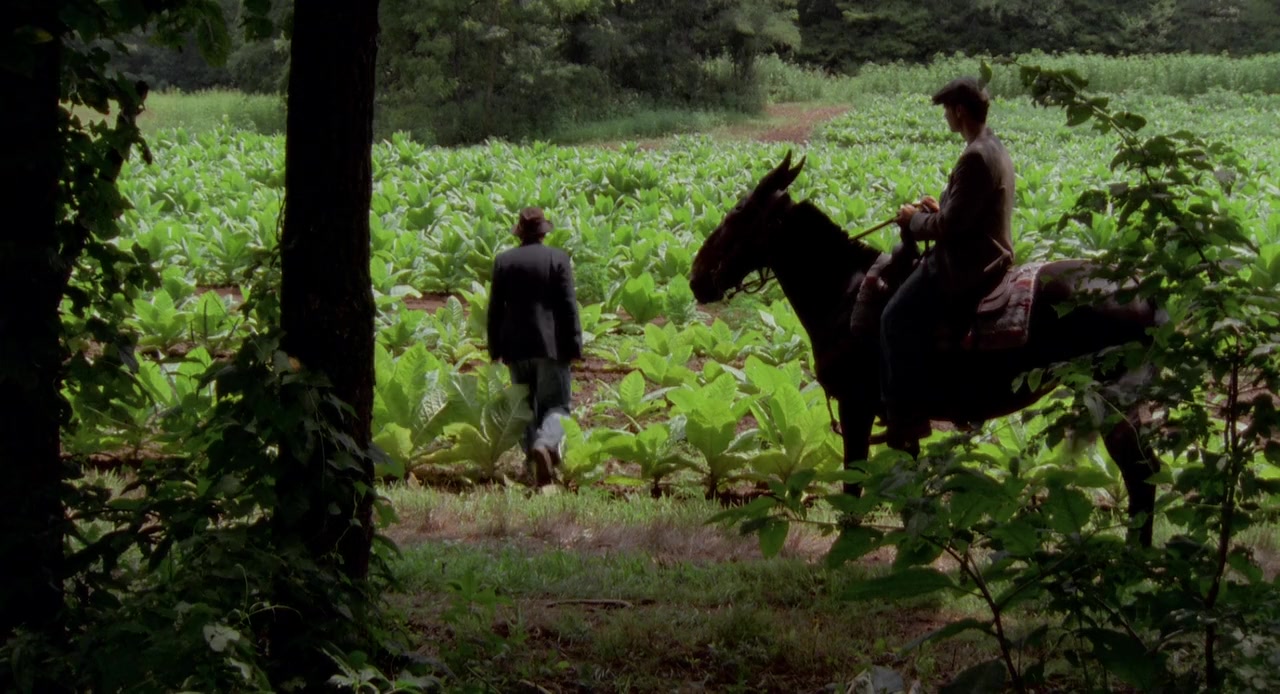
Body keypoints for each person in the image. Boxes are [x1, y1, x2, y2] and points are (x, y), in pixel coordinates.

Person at [879, 77, 1016, 452]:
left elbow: (951, 226)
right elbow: (966, 212)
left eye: (946, 110)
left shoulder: (974, 156)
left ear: (959, 111)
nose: (945, 117)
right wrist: (938, 209)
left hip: (968, 263)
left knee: (893, 318)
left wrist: (914, 221)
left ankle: (905, 419)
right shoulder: (992, 146)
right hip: (989, 252)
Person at [487, 207, 583, 486]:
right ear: (543, 233)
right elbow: (568, 306)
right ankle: (545, 444)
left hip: (515, 349)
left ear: (520, 233)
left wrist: (495, 349)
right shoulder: (557, 258)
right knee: (556, 405)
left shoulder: (504, 261)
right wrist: (575, 346)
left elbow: (495, 310)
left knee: (525, 409)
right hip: (551, 347)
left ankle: (533, 467)